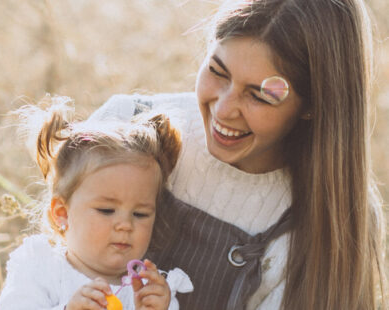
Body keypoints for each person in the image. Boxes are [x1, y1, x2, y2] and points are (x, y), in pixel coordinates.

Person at [90, 0, 387, 309]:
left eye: (258, 96)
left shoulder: (334, 219)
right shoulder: (122, 126)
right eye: (218, 71)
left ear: (313, 105)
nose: (224, 109)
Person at [0, 98, 193, 310]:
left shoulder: (146, 289)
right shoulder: (41, 267)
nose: (125, 225)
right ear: (62, 213)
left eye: (140, 214)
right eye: (107, 210)